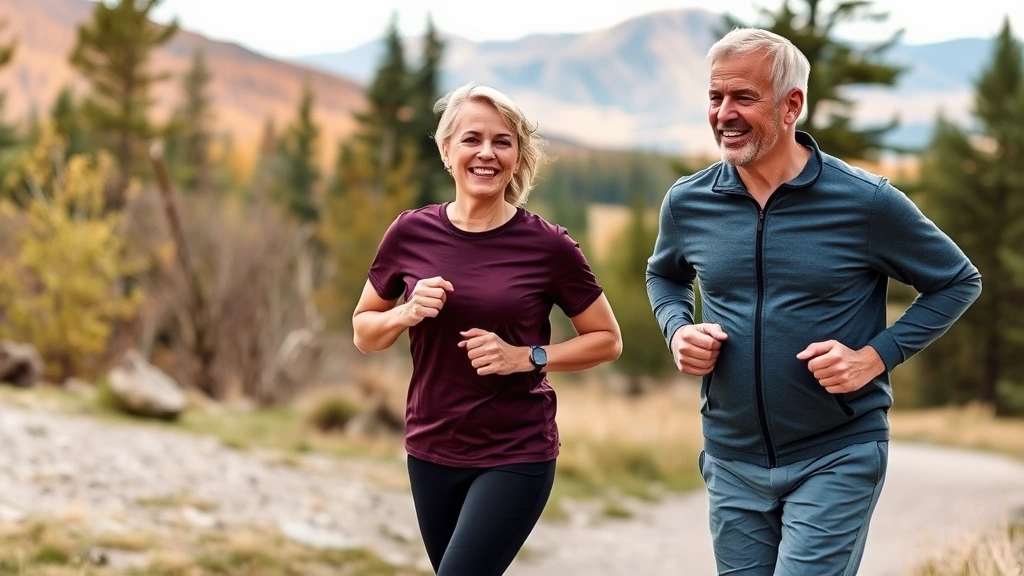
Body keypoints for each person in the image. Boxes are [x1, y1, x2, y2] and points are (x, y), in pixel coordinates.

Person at [645, 27, 982, 575]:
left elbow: (957, 280)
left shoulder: (865, 203)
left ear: (791, 105)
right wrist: (677, 328)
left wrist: (874, 357)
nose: (723, 113)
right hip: (731, 457)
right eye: (715, 97)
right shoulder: (688, 203)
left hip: (837, 451)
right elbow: (664, 277)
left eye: (743, 98)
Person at [352, 82, 622, 576]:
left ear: (518, 157)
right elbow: (364, 331)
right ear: (446, 149)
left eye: (503, 141)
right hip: (431, 446)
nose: (486, 153)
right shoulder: (410, 232)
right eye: (472, 139)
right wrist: (404, 314)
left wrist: (528, 356)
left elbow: (607, 339)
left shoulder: (548, 247)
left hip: (515, 452)